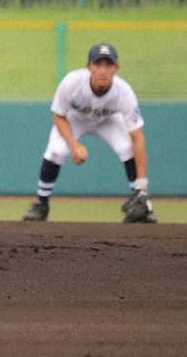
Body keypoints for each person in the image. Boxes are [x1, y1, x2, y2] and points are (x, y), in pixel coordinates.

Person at [22, 43, 158, 224]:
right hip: (75, 119)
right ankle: (41, 205)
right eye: (97, 64)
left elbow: (138, 138)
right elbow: (59, 117)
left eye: (108, 65)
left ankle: (141, 201)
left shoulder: (124, 92)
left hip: (108, 120)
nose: (102, 70)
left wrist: (142, 185)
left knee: (127, 147)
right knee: (56, 150)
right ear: (89, 66)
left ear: (116, 68)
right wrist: (74, 146)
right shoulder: (72, 82)